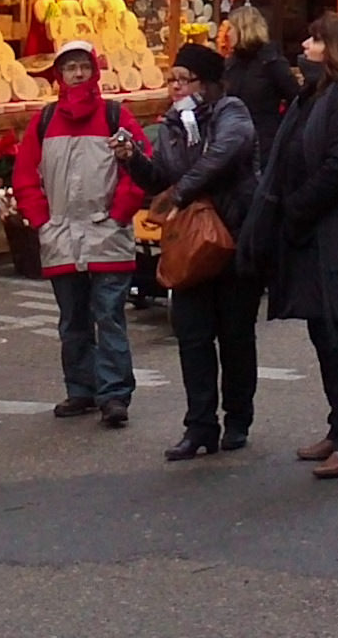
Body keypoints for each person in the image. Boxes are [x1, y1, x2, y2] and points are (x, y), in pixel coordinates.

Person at [118, 42, 262, 460]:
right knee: (193, 336)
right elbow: (160, 178)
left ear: (209, 83)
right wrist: (133, 160)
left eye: (186, 80)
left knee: (235, 336)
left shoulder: (232, 112)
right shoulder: (172, 125)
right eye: (173, 80)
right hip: (189, 245)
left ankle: (238, 418)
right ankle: (199, 425)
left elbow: (223, 155)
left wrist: (179, 193)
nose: (176, 87)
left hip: (233, 239)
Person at [263, 12, 338, 480]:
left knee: (337, 335)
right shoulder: (312, 96)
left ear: (334, 50)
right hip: (311, 232)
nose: (305, 47)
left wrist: (297, 206)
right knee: (323, 334)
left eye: (315, 40)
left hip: (335, 234)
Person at [13, 39, 148, 428]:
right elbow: (25, 175)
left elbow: (140, 166)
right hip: (61, 236)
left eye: (83, 67)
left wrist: (119, 214)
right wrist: (42, 220)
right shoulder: (44, 120)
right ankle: (81, 389)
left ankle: (114, 394)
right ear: (60, 74)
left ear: (94, 71)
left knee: (109, 317)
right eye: (70, 68)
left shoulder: (115, 116)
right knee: (72, 320)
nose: (77, 74)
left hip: (107, 233)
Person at [222, 3, 301, 168]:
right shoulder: (230, 64)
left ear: (243, 29)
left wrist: (282, 130)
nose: (227, 34)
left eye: (231, 28)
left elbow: (296, 98)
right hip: (233, 141)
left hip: (264, 142)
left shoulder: (271, 62)